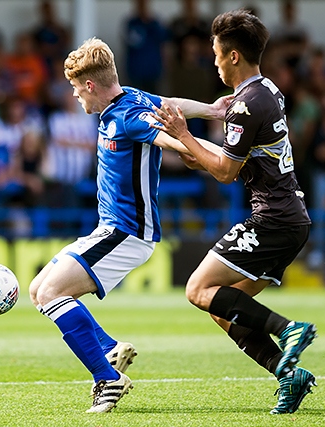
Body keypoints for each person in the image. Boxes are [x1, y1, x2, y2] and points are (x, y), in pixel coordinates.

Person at [28, 37, 229, 414]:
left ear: (90, 85)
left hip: (128, 232)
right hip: (110, 228)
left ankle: (107, 379)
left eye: (76, 89)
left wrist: (219, 156)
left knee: (53, 292)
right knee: (39, 289)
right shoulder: (129, 98)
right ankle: (107, 350)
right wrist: (213, 111)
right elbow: (170, 107)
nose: (75, 97)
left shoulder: (127, 117)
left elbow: (171, 137)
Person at [151, 9, 317, 415]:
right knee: (222, 305)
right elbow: (232, 160)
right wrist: (194, 150)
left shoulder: (246, 104)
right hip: (290, 219)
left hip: (272, 219)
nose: (215, 62)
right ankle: (287, 374)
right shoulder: (269, 92)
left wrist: (185, 135)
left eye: (216, 55)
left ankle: (288, 329)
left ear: (234, 57)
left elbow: (226, 172)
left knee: (197, 290)